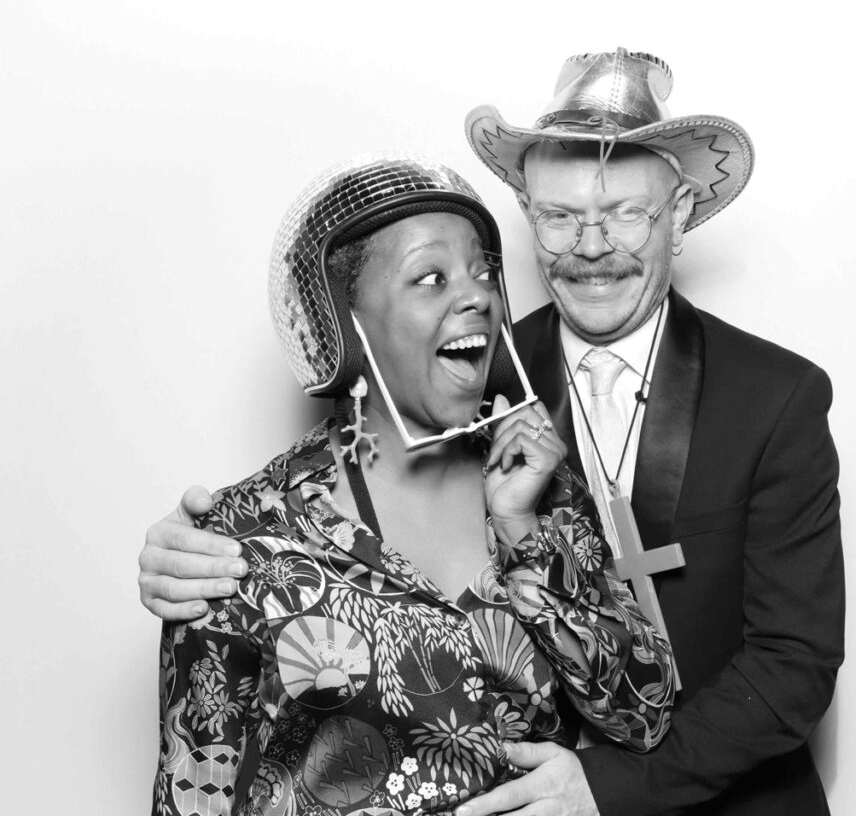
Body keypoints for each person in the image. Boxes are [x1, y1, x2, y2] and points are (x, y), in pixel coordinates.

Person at [142, 49, 845, 816]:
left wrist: (610, 791)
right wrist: (192, 551)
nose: (591, 243)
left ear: (678, 215)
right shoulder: (463, 382)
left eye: (627, 212)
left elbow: (791, 663)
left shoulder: (777, 398)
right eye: (560, 215)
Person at [150, 155, 675, 816]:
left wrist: (523, 534)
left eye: (483, 272)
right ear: (347, 324)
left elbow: (643, 713)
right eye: (431, 277)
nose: (478, 294)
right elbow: (191, 793)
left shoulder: (538, 484)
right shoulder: (238, 540)